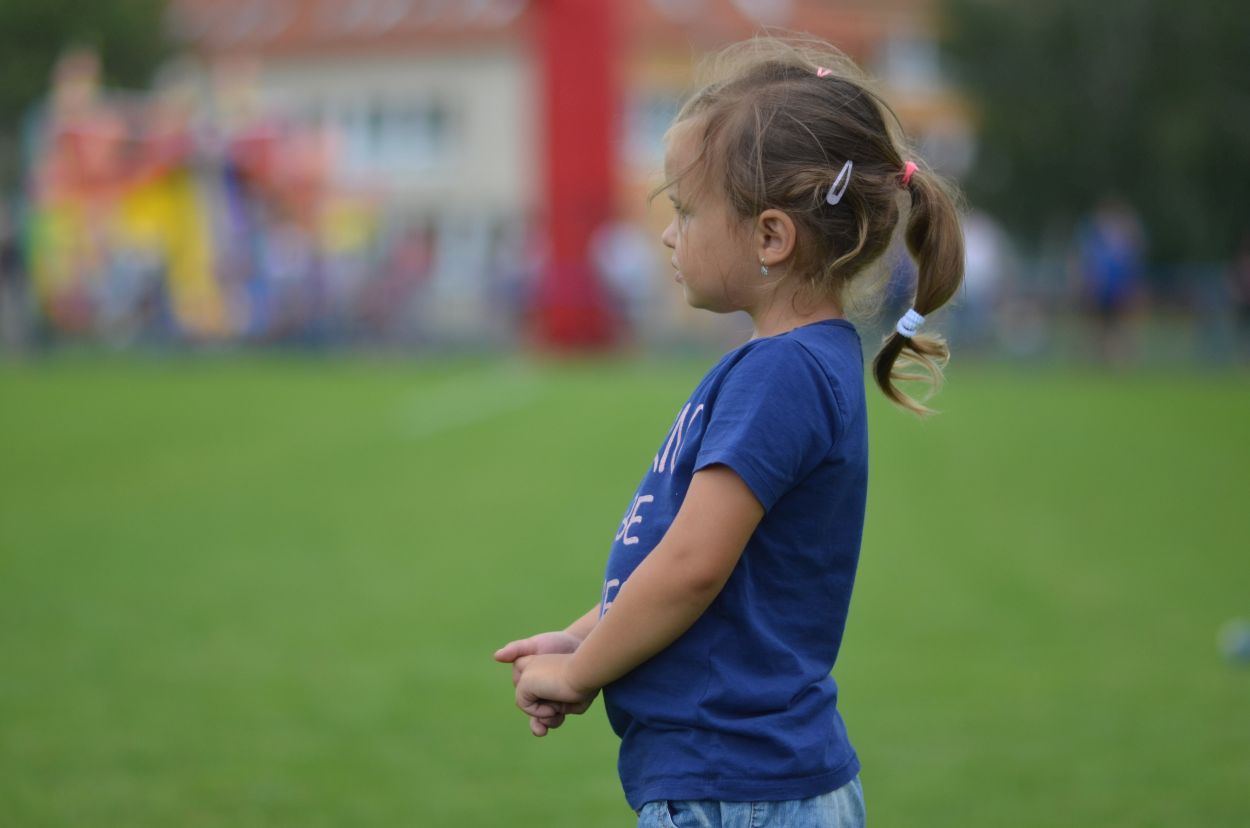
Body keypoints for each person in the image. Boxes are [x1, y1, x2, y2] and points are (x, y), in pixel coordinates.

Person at [495, 36, 963, 827]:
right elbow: (689, 568)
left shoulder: (782, 374)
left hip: (737, 789)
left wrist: (580, 676)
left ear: (770, 237)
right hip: (749, 784)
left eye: (685, 210)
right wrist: (582, 639)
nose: (668, 234)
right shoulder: (793, 363)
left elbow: (691, 567)